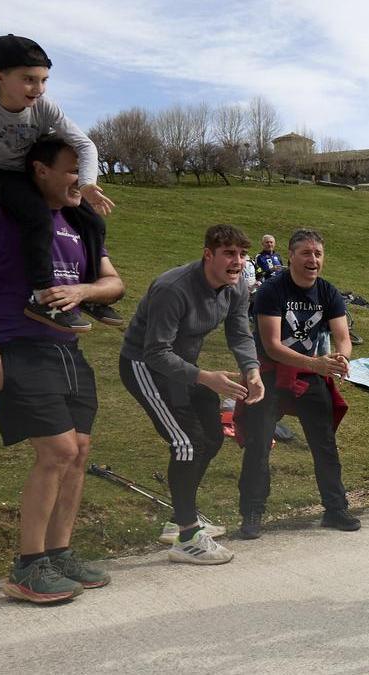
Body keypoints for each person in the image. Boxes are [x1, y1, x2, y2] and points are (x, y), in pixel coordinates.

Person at [0, 138, 125, 603]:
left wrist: (84, 292)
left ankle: (57, 553)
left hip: (68, 349)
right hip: (16, 346)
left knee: (80, 450)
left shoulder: (79, 222)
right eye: (72, 171)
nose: (82, 182)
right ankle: (27, 568)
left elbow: (114, 282)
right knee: (58, 451)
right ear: (40, 170)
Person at [0, 34, 119, 333]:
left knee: (94, 223)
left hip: (33, 170)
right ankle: (41, 295)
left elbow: (84, 145)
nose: (38, 89)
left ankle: (91, 293)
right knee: (37, 216)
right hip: (0, 172)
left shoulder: (45, 107)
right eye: (29, 79)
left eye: (44, 80)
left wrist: (87, 183)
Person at [120, 224, 264, 564]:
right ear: (208, 254)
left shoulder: (237, 287)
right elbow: (156, 352)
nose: (238, 262)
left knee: (211, 439)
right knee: (187, 442)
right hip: (145, 366)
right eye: (229, 253)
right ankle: (186, 536)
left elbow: (241, 334)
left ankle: (181, 517)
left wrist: (252, 370)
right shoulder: (173, 288)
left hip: (185, 368)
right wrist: (206, 378)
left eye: (242, 255)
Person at [238, 229, 359, 536]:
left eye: (318, 254)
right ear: (290, 256)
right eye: (306, 253)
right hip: (269, 372)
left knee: (325, 443)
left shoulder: (328, 292)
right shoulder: (271, 291)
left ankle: (335, 509)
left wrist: (341, 359)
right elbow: (271, 346)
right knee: (259, 443)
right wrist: (317, 364)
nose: (313, 260)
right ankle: (252, 513)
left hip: (309, 373)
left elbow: (343, 338)